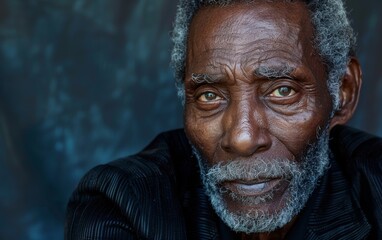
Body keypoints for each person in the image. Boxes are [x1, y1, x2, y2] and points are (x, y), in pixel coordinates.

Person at [65, 0, 382, 239]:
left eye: (282, 90)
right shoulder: (124, 202)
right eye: (209, 95)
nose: (242, 138)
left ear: (343, 91)